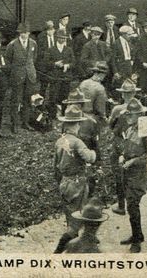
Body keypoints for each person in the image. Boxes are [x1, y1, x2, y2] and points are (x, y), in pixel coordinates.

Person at [52, 105, 97, 253]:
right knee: (76, 221)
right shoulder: (77, 142)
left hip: (64, 182)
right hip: (77, 183)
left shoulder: (60, 141)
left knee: (70, 216)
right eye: (79, 124)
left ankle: (74, 244)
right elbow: (90, 158)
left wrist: (61, 181)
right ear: (76, 124)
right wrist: (93, 152)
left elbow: (55, 165)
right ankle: (60, 250)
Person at [117, 99, 147, 253]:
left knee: (132, 205)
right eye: (127, 114)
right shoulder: (130, 129)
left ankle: (137, 241)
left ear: (141, 114)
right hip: (128, 171)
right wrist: (123, 156)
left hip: (138, 174)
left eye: (132, 114)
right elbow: (126, 146)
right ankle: (138, 234)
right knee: (131, 205)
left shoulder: (146, 133)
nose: (128, 117)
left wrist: (133, 161)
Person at [109, 79, 140, 215]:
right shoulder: (140, 107)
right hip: (135, 143)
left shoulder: (117, 109)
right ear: (134, 93)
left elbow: (111, 125)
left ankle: (122, 205)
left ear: (122, 94)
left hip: (120, 142)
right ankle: (133, 203)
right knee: (132, 173)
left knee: (118, 173)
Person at [4, 23, 39, 131]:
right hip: (17, 76)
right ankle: (14, 123)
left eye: (27, 33)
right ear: (19, 33)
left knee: (28, 100)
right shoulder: (12, 45)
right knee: (16, 100)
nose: (25, 35)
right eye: (22, 33)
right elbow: (7, 60)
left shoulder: (33, 44)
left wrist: (30, 70)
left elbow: (34, 58)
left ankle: (25, 122)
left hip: (30, 76)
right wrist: (14, 72)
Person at [45, 29, 76, 112]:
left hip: (66, 78)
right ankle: (53, 117)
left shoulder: (69, 50)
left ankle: (64, 115)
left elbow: (74, 63)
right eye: (60, 38)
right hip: (55, 78)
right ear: (56, 38)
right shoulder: (51, 49)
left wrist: (67, 65)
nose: (62, 40)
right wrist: (55, 64)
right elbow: (46, 63)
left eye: (64, 38)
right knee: (53, 98)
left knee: (65, 98)